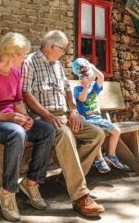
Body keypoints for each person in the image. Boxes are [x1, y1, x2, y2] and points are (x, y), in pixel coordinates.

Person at [0, 32, 57, 222]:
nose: (25, 58)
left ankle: (32, 182)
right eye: (23, 55)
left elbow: (18, 101)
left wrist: (26, 118)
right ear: (12, 55)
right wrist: (11, 117)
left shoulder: (17, 72)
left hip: (10, 122)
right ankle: (7, 192)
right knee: (17, 133)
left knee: (47, 130)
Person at [22, 30, 106, 218]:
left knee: (97, 134)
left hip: (65, 115)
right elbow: (25, 94)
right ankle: (80, 196)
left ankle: (66, 179)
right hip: (42, 118)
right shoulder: (29, 62)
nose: (64, 52)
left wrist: (74, 111)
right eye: (63, 49)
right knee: (66, 135)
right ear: (52, 47)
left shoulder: (57, 65)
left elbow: (68, 90)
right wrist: (45, 115)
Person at [72, 58, 126, 173]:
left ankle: (111, 155)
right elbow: (82, 98)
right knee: (98, 134)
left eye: (90, 77)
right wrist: (85, 87)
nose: (89, 80)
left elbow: (101, 77)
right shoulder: (77, 89)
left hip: (98, 119)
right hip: (86, 121)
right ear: (80, 79)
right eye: (85, 78)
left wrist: (91, 67)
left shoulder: (95, 88)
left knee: (116, 131)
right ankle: (99, 159)